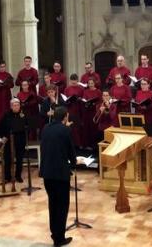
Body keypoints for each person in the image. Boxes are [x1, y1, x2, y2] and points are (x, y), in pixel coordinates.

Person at [40, 106, 76, 247]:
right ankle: (59, 238)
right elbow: (70, 151)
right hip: (60, 174)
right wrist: (73, 164)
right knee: (62, 206)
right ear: (65, 117)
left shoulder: (45, 128)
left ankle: (54, 233)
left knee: (52, 204)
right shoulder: (65, 130)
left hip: (47, 173)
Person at [0, 98, 26, 183]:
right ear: (11, 106)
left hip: (20, 138)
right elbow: (0, 126)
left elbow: (28, 125)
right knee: (7, 158)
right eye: (14, 105)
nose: (16, 107)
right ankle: (7, 177)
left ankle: (18, 176)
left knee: (20, 158)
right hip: (9, 139)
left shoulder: (23, 114)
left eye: (18, 105)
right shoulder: (6, 115)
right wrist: (2, 137)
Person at [64, 74, 84, 148]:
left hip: (78, 109)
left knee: (77, 128)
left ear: (77, 80)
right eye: (72, 80)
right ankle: (70, 144)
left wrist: (79, 99)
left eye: (75, 80)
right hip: (69, 109)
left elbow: (83, 99)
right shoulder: (67, 89)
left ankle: (78, 144)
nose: (73, 82)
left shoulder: (81, 89)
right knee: (70, 128)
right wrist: (68, 101)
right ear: (70, 80)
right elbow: (65, 99)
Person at [82, 78, 102, 149]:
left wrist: (94, 104)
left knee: (94, 128)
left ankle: (95, 145)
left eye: (92, 83)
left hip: (94, 111)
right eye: (89, 83)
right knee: (87, 128)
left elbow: (100, 101)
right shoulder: (86, 91)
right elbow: (84, 99)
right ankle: (88, 145)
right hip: (87, 111)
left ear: (94, 83)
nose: (90, 85)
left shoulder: (98, 91)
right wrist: (86, 103)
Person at [0, 62, 14, 126]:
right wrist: (0, 85)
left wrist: (6, 84)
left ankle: (7, 123)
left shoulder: (8, 75)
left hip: (7, 95)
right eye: (1, 67)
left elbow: (12, 85)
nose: (3, 68)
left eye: (4, 66)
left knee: (7, 108)